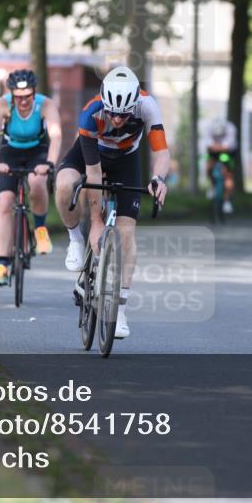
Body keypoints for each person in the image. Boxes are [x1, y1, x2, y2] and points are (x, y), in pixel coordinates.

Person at [54, 66, 170, 340]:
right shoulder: (90, 114)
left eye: (124, 114)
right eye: (113, 113)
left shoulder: (147, 106)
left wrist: (158, 178)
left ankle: (119, 309)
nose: (117, 119)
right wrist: (95, 222)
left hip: (127, 159)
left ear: (134, 105)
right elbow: (93, 173)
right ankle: (75, 240)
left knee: (126, 234)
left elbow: (161, 152)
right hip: (92, 154)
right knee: (65, 185)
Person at [0, 69, 62, 286]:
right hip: (10, 151)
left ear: (34, 93)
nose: (23, 102)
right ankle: (1, 264)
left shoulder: (45, 105)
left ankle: (40, 229)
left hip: (37, 150)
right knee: (5, 202)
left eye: (28, 96)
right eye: (18, 98)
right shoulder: (1, 105)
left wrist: (50, 164)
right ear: (11, 95)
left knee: (37, 182)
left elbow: (56, 137)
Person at [205, 117, 238, 214]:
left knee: (228, 175)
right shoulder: (208, 128)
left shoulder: (231, 128)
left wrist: (217, 147)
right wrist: (217, 147)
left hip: (229, 152)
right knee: (209, 164)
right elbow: (208, 145)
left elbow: (228, 147)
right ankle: (212, 186)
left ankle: (227, 201)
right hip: (215, 151)